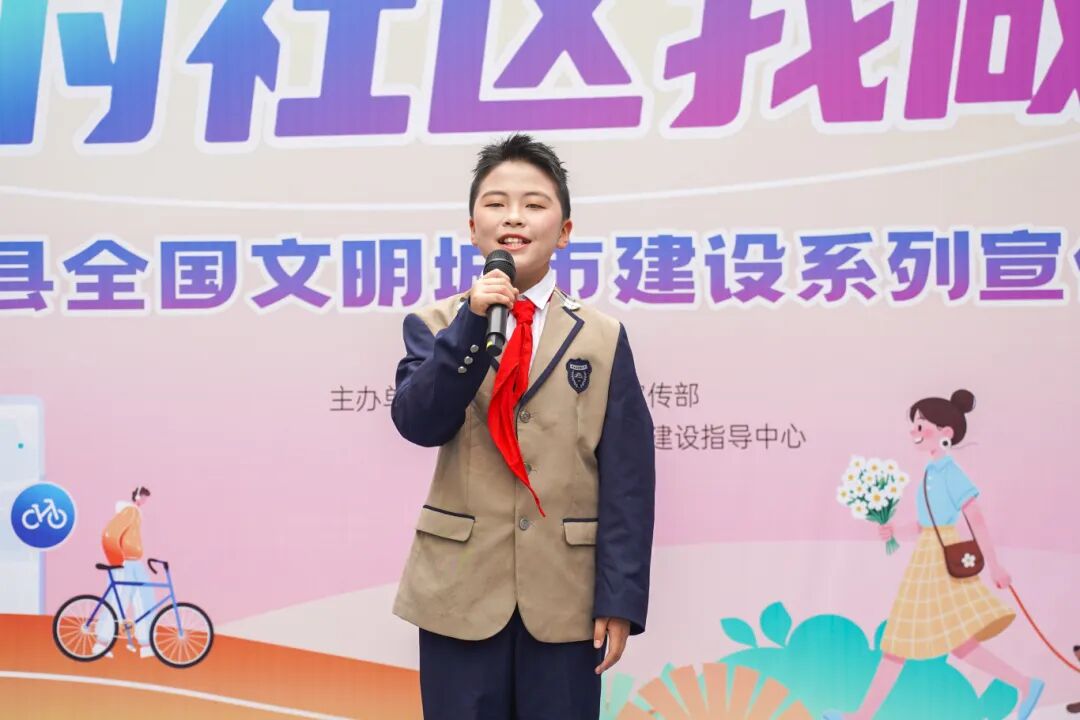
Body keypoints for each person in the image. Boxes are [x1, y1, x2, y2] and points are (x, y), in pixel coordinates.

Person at [390, 134, 656, 719]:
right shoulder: (435, 324)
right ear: (472, 227)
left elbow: (628, 479)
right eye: (497, 203)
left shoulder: (603, 338)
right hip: (459, 594)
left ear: (564, 231)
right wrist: (471, 323)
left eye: (534, 204)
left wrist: (620, 597)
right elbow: (419, 422)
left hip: (566, 599)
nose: (514, 217)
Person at [823, 390, 1044, 719]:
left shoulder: (950, 472)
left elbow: (975, 519)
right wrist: (895, 531)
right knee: (944, 642)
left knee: (906, 639)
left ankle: (862, 716)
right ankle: (1025, 684)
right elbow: (927, 524)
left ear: (946, 432)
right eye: (914, 424)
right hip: (927, 557)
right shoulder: (931, 472)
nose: (913, 431)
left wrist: (995, 566)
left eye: (921, 424)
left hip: (940, 561)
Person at [93, 485, 156, 658]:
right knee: (118, 600)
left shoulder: (136, 513)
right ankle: (101, 644)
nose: (145, 500)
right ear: (137, 496)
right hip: (125, 563)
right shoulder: (130, 511)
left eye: (146, 498)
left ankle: (146, 644)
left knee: (143, 600)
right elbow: (110, 534)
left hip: (135, 563)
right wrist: (116, 562)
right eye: (143, 496)